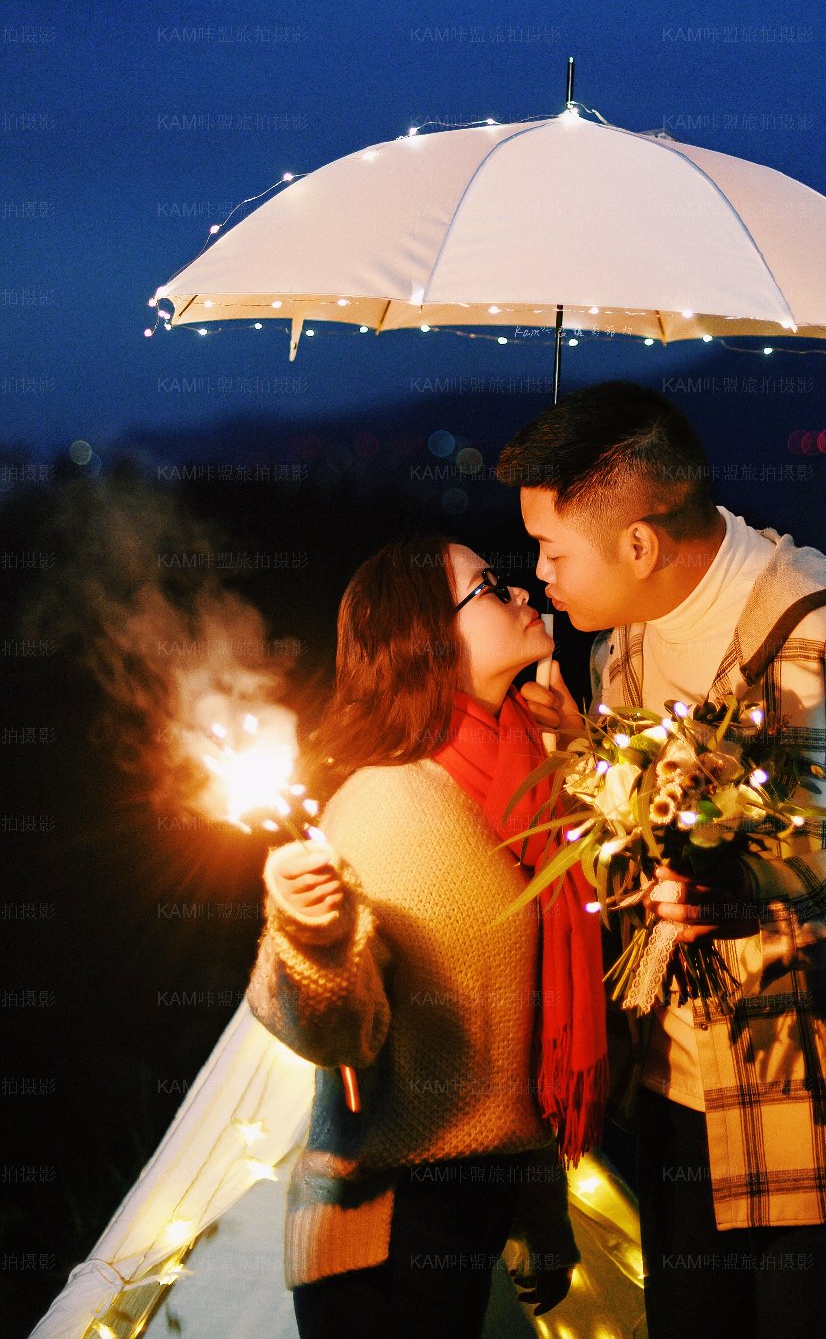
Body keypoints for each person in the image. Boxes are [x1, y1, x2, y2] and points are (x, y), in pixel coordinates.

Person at [495, 381, 826, 1339]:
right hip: (676, 1088)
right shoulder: (624, 643)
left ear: (639, 543)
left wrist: (765, 898)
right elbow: (648, 853)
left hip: (825, 1106)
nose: (539, 574)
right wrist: (580, 758)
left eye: (552, 549)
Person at [244, 532, 608, 1339]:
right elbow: (338, 1034)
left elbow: (510, 1039)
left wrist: (538, 1210)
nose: (521, 593)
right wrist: (311, 933)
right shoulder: (386, 804)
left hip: (467, 1216)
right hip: (382, 1235)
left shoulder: (517, 780)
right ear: (428, 639)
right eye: (490, 588)